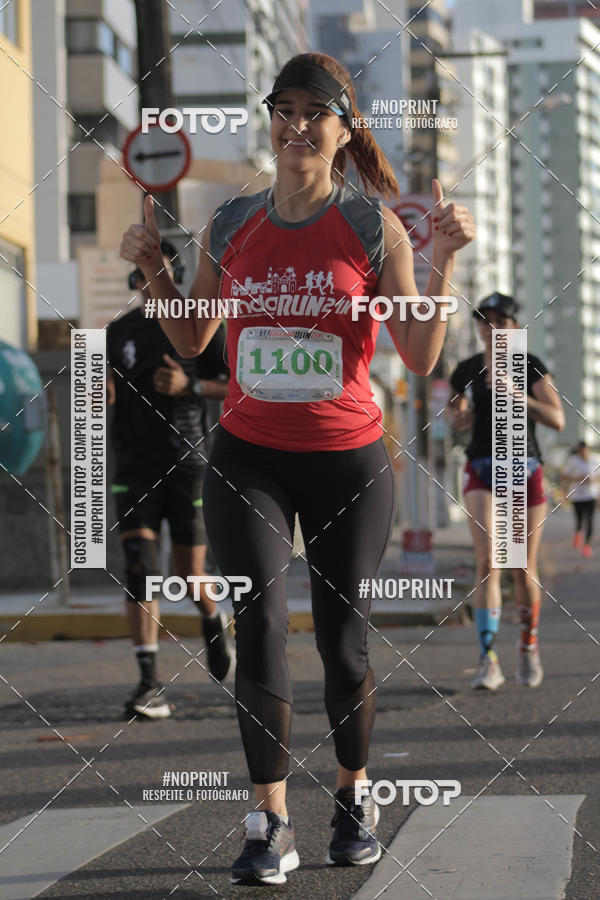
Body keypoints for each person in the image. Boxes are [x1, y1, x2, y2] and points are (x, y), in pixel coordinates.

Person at [120, 52, 474, 884]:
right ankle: (269, 818)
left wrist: (445, 261)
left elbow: (420, 355)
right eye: (284, 109)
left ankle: (353, 797)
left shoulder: (372, 227)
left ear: (345, 130)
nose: (297, 125)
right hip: (249, 456)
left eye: (316, 112)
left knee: (344, 645)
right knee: (260, 626)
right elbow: (191, 338)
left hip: (348, 460)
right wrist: (155, 269)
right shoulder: (232, 221)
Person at [106, 241, 232, 720]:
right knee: (139, 566)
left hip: (187, 462)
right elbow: (103, 384)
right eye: (140, 273)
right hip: (133, 466)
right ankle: (149, 683)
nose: (146, 281)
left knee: (188, 574)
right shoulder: (120, 331)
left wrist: (189, 386)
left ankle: (213, 619)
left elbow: (235, 384)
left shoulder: (200, 326)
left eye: (155, 271)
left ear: (173, 275)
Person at [447, 292, 565, 692]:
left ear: (515, 327)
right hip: (481, 467)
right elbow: (455, 416)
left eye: (500, 320)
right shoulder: (465, 369)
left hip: (523, 468)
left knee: (522, 567)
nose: (491, 327)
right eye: (484, 320)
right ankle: (488, 659)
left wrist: (517, 394)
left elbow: (558, 419)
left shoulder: (531, 366)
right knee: (487, 563)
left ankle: (528, 646)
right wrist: (459, 418)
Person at [562, 441, 599, 557]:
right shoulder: (573, 461)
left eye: (585, 450)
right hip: (577, 496)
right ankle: (577, 534)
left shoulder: (595, 459)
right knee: (579, 519)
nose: (584, 453)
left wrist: (593, 480)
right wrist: (579, 479)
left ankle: (587, 545)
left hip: (591, 495)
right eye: (581, 451)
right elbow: (564, 476)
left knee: (590, 521)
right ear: (579, 451)